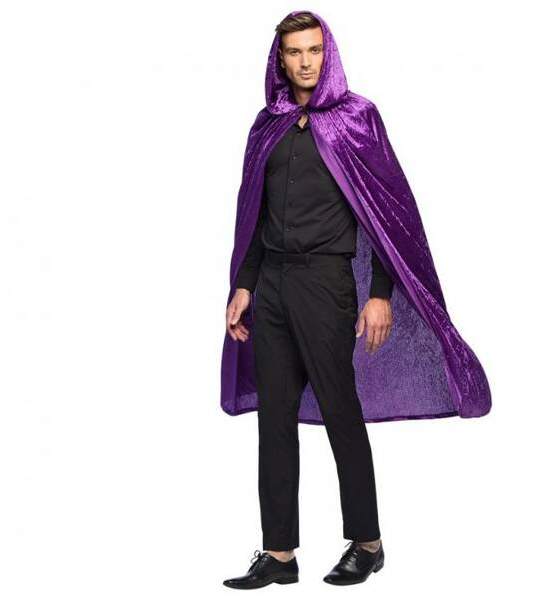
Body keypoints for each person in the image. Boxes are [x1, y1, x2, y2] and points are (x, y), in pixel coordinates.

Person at [223, 12, 388, 589]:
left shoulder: (357, 119)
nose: (305, 62)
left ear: (327, 52)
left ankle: (367, 543)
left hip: (325, 284)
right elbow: (255, 213)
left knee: (341, 412)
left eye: (314, 50)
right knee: (274, 421)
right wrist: (244, 284)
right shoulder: (266, 125)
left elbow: (388, 213)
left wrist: (380, 293)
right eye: (294, 52)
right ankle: (279, 554)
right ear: (280, 59)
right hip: (271, 284)